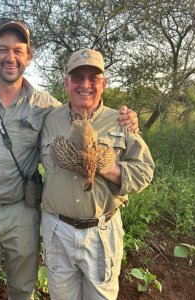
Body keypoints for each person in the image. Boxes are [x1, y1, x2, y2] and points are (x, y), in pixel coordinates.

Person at [0, 17, 139, 300]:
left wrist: (128, 120)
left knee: (23, 291)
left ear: (28, 57)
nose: (10, 57)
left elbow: (82, 112)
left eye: (18, 51)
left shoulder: (47, 106)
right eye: (3, 49)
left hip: (23, 213)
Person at [40, 49, 154, 300]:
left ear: (104, 83)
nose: (86, 84)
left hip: (102, 231)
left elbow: (144, 171)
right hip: (58, 229)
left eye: (94, 77)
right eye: (78, 77)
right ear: (66, 82)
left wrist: (105, 167)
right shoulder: (48, 119)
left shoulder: (121, 122)